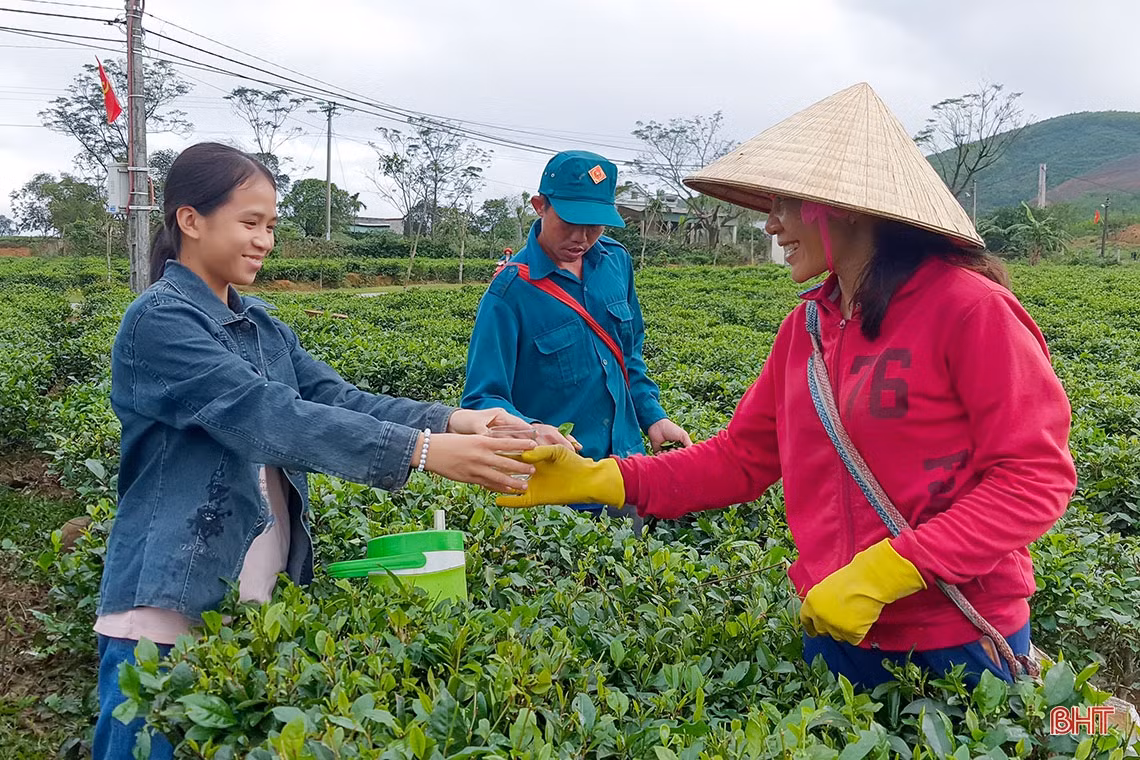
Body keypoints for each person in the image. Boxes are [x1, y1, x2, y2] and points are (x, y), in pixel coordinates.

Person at [496, 84, 1077, 690]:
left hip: (957, 635)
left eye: (784, 203)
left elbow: (1034, 478)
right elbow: (742, 458)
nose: (771, 223)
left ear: (843, 206)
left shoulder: (970, 309)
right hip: (836, 625)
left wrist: (891, 571)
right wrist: (603, 478)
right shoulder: (806, 328)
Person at [94, 142, 537, 759]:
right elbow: (267, 415)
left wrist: (461, 421)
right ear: (190, 220)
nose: (264, 241)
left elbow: (337, 398)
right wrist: (423, 450)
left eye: (271, 226)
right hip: (168, 604)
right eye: (250, 223)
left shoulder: (261, 326)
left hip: (251, 601)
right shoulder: (159, 322)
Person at [462, 150, 691, 520]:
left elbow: (628, 355)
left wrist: (653, 417)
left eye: (595, 225)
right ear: (540, 206)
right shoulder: (509, 293)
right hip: (555, 497)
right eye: (570, 222)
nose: (581, 238)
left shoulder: (616, 262)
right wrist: (532, 431)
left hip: (626, 476)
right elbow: (481, 399)